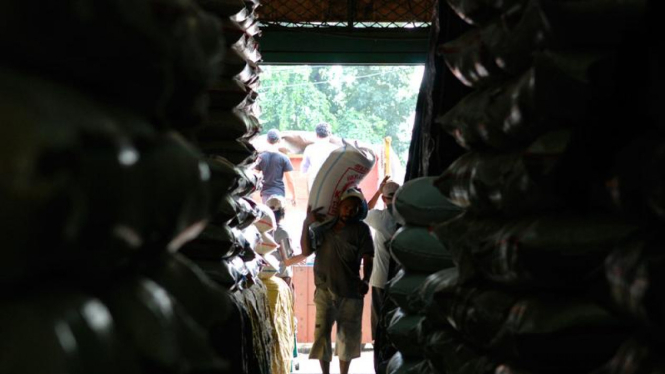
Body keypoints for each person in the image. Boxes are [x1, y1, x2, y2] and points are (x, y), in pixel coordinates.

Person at [300, 187, 374, 374]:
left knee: (347, 338)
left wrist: (366, 280)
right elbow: (306, 251)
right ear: (339, 206)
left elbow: (368, 257)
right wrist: (306, 223)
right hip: (324, 291)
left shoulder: (361, 230)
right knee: (321, 336)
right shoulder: (323, 228)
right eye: (347, 206)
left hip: (351, 292)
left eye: (355, 208)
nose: (350, 211)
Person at [365, 177, 401, 373]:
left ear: (384, 199)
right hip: (401, 279)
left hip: (380, 280)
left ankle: (380, 366)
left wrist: (377, 192)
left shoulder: (380, 218)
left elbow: (363, 210)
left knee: (380, 326)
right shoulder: (407, 217)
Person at [255, 129, 297, 205]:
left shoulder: (260, 158)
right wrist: (293, 196)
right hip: (279, 193)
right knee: (279, 215)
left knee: (268, 216)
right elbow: (290, 180)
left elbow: (255, 175)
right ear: (279, 141)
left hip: (265, 193)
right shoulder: (284, 158)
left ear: (267, 140)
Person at [301, 122, 339, 192]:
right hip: (331, 185)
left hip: (314, 185)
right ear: (330, 134)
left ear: (316, 134)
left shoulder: (309, 149)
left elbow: (304, 169)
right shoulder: (336, 149)